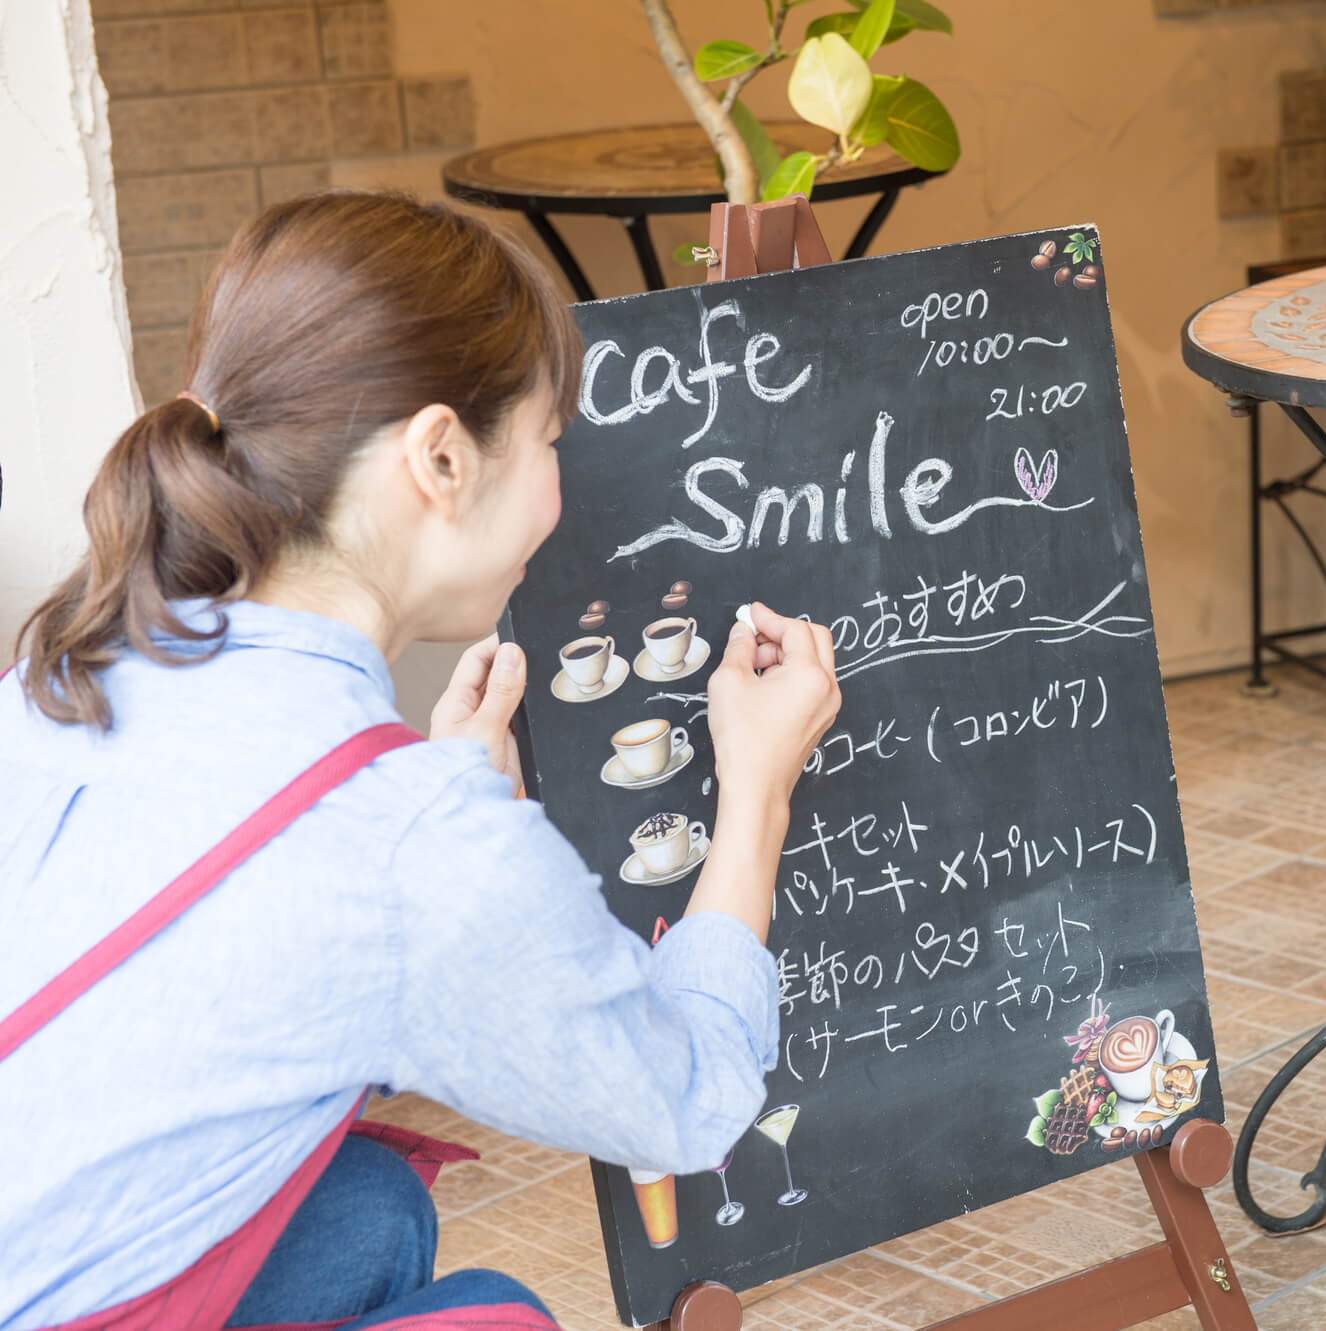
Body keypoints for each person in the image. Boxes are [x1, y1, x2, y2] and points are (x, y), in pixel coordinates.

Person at [0, 191, 840, 1330]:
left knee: (366, 1209)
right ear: (441, 455)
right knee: (494, 1316)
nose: (560, 484)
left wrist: (428, 823)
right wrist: (757, 795)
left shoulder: (71, 668)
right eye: (550, 440)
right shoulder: (406, 833)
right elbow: (684, 1101)